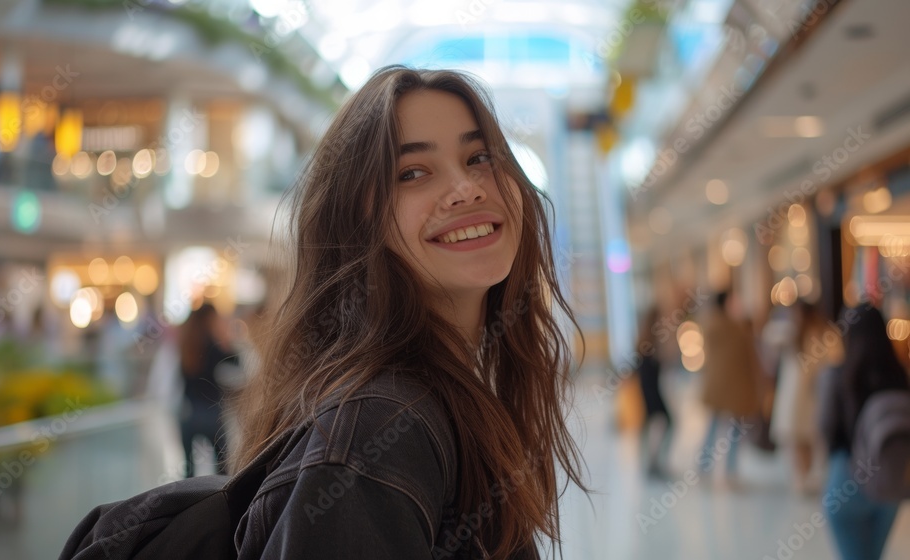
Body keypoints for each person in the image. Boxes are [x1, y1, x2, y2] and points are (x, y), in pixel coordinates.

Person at [226, 66, 587, 559]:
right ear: (356, 221)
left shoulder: (445, 399)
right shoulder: (377, 431)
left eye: (479, 157)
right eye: (412, 173)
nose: (467, 188)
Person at [819, 303, 909, 560]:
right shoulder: (899, 375)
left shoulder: (837, 375)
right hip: (889, 478)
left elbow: (826, 427)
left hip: (846, 478)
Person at [771, 301, 838, 494]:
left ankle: (804, 478)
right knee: (804, 437)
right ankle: (805, 478)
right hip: (806, 394)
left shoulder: (805, 335)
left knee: (800, 437)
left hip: (801, 395)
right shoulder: (798, 334)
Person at [698, 290, 762, 482]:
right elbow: (749, 357)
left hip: (717, 385)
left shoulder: (711, 325)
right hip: (734, 386)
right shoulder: (735, 328)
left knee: (715, 426)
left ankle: (704, 467)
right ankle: (730, 471)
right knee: (733, 429)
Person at [179, 303, 238, 478]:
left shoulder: (185, 346)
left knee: (189, 470)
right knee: (222, 471)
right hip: (212, 414)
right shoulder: (213, 345)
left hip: (188, 414)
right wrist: (227, 340)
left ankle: (188, 503)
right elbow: (237, 362)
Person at [636, 307, 673, 478]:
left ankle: (655, 462)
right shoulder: (648, 345)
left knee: (662, 424)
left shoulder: (649, 341)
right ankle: (654, 463)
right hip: (651, 391)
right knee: (665, 423)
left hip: (652, 390)